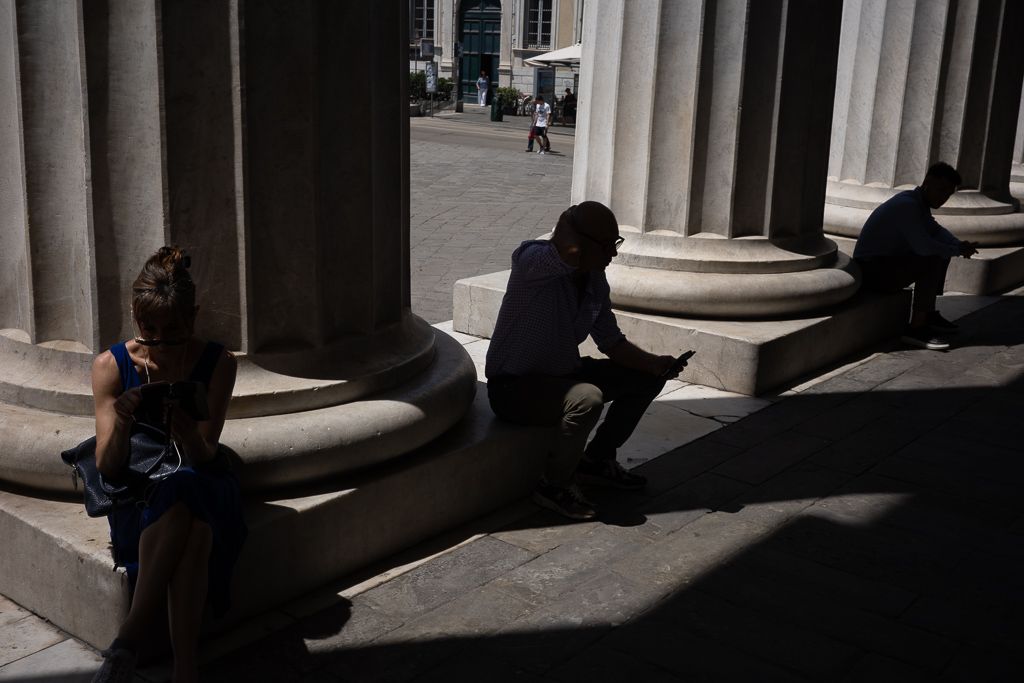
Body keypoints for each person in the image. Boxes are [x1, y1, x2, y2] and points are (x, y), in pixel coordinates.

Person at [91, 247, 246, 683]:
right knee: (193, 530)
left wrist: (187, 432)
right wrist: (122, 422)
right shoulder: (110, 365)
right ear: (135, 318)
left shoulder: (218, 363)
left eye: (172, 331)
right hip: (141, 491)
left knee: (185, 488)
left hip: (202, 477)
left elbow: (206, 453)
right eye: (149, 330)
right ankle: (185, 672)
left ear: (192, 318)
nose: (158, 341)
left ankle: (127, 642)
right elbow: (107, 467)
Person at [485, 201, 684, 520]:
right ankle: (553, 485)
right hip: (513, 387)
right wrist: (568, 223)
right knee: (587, 399)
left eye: (615, 243)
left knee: (646, 378)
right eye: (606, 245)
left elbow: (612, 342)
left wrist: (655, 363)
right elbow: (566, 253)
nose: (613, 253)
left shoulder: (595, 282)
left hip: (562, 374)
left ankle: (596, 461)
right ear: (577, 240)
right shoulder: (531, 261)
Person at [853, 161, 979, 350]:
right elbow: (925, 248)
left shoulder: (917, 203)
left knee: (940, 251)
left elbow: (936, 230)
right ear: (927, 183)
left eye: (948, 194)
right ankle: (916, 328)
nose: (943, 198)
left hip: (883, 265)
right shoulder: (907, 205)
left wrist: (958, 245)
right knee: (932, 256)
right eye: (941, 190)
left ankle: (928, 313)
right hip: (872, 271)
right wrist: (957, 250)